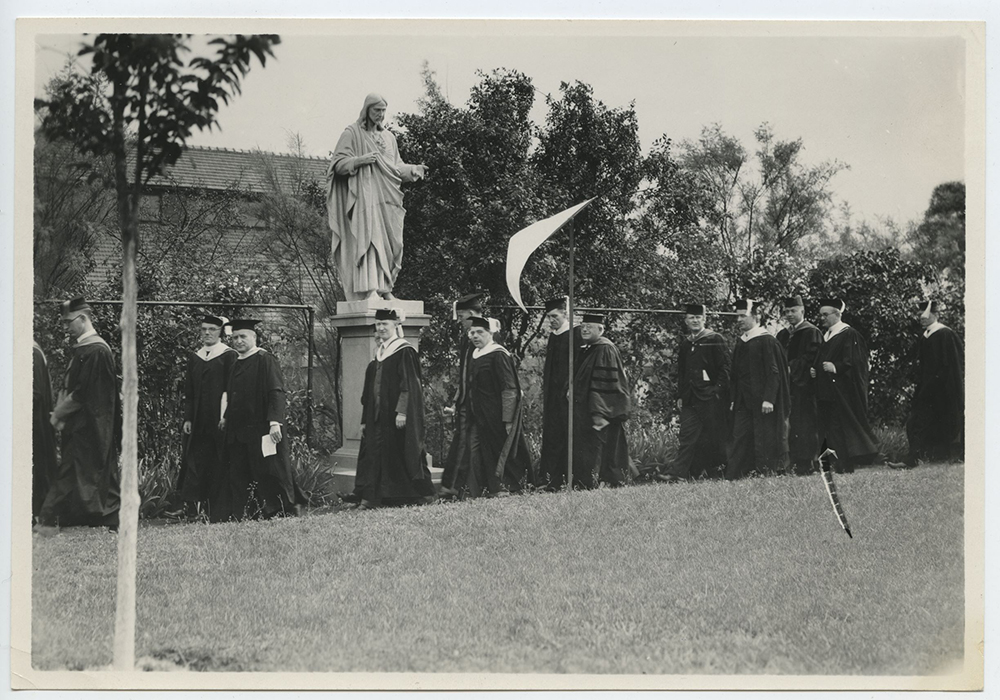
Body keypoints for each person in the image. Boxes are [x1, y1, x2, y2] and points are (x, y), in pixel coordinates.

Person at [326, 93, 430, 301]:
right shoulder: (352, 134)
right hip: (365, 198)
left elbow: (394, 167)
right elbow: (337, 165)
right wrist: (358, 161)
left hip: (388, 198)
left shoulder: (389, 137)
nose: (380, 115)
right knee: (370, 240)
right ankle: (370, 289)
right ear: (366, 110)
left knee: (392, 243)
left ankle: (386, 289)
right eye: (376, 110)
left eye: (383, 110)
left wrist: (413, 170)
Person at [37, 298, 120, 532]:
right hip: (84, 423)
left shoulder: (96, 350)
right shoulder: (86, 349)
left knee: (76, 470)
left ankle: (47, 518)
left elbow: (82, 393)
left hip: (90, 424)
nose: (65, 328)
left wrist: (58, 415)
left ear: (83, 319)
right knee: (93, 472)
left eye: (68, 322)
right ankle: (107, 518)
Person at [351, 308, 436, 508]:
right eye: (378, 324)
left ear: (396, 325)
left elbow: (409, 385)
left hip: (396, 416)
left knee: (405, 452)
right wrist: (365, 419)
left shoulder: (404, 351)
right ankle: (375, 497)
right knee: (376, 454)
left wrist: (402, 411)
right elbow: (368, 394)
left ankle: (420, 494)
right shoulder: (379, 355)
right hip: (378, 416)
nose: (380, 328)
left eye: (385, 324)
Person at [218, 319, 301, 521]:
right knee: (240, 472)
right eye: (235, 337)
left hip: (262, 428)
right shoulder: (234, 363)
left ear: (253, 338)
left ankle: (279, 509)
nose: (238, 341)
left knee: (269, 471)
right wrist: (225, 417)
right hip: (238, 430)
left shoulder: (265, 359)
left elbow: (276, 392)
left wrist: (275, 422)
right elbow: (232, 393)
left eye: (243, 336)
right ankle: (246, 512)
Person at [456, 317, 533, 497]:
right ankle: (476, 491)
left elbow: (509, 388)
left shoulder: (498, 354)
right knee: (475, 452)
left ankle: (509, 488)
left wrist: (507, 420)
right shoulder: (474, 354)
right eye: (472, 332)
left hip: (496, 416)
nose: (475, 336)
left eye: (480, 332)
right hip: (478, 416)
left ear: (490, 333)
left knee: (501, 452)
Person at [656, 304, 730, 483]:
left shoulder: (715, 339)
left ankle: (719, 471)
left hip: (711, 398)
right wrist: (681, 396)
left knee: (714, 436)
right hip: (690, 398)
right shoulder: (686, 344)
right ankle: (678, 474)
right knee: (687, 436)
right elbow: (682, 373)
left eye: (698, 317)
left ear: (704, 319)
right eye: (691, 318)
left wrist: (716, 391)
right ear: (686, 321)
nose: (695, 321)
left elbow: (726, 369)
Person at [173, 315, 237, 520]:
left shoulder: (228, 356)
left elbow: (232, 390)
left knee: (217, 462)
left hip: (218, 420)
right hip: (199, 421)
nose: (207, 333)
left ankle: (214, 509)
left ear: (220, 332)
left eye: (212, 329)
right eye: (203, 329)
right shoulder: (196, 357)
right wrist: (188, 418)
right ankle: (190, 507)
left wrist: (226, 416)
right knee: (193, 461)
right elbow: (189, 392)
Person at [810, 298, 880, 473]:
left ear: (837, 314)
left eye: (825, 315)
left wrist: (837, 367)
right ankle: (836, 463)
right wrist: (816, 370)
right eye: (821, 315)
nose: (822, 318)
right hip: (826, 391)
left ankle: (845, 465)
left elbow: (856, 363)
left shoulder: (849, 334)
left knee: (840, 428)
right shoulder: (826, 336)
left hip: (842, 393)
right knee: (830, 429)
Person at [893, 300, 964, 467]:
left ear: (936, 315)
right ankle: (914, 458)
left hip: (943, 390)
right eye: (919, 315)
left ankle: (931, 458)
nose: (921, 318)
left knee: (940, 422)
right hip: (927, 388)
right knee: (916, 422)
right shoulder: (925, 336)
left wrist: (936, 385)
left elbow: (951, 366)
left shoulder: (945, 334)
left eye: (926, 314)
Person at [726, 299, 790, 480]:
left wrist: (769, 398)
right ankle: (734, 474)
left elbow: (774, 372)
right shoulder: (742, 341)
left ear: (755, 316)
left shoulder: (767, 341)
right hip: (743, 400)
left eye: (742, 316)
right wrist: (733, 399)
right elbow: (735, 375)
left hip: (762, 400)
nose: (738, 320)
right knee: (740, 436)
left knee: (765, 437)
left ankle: (766, 472)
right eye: (737, 316)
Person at [573, 313, 632, 489]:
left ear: (600, 329)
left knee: (603, 449)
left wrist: (600, 412)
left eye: (589, 326)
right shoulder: (589, 348)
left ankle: (601, 482)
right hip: (590, 410)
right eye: (583, 326)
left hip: (602, 412)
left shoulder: (604, 349)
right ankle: (591, 482)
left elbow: (605, 382)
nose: (584, 329)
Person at [440, 292, 486, 498]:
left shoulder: (489, 338)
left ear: (472, 314)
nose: (459, 321)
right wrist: (457, 401)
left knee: (471, 445)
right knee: (463, 443)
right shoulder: (467, 340)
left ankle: (461, 489)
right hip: (467, 402)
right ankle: (454, 488)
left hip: (482, 404)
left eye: (462, 317)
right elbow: (464, 374)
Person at [538, 296, 583, 491]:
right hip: (552, 397)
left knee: (568, 437)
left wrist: (571, 387)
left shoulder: (575, 334)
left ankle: (569, 479)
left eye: (555, 316)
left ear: (565, 314)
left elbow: (579, 366)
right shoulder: (554, 335)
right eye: (548, 317)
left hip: (567, 396)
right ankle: (551, 480)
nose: (551, 320)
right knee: (552, 438)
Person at [776, 295, 823, 475]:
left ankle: (806, 464)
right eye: (786, 311)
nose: (789, 314)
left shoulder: (812, 332)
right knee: (788, 426)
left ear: (802, 311)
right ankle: (789, 463)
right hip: (786, 388)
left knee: (805, 425)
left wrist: (789, 369)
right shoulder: (782, 334)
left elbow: (812, 358)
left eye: (793, 311)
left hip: (804, 388)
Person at [32, 339, 58, 522]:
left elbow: (34, 393)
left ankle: (42, 515)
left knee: (40, 468)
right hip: (36, 422)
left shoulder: (31, 353)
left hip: (35, 423)